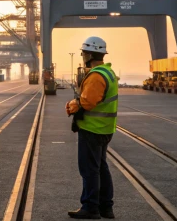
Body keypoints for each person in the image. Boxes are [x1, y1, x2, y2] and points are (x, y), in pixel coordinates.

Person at [65, 36, 118, 219]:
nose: (82, 55)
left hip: (92, 129)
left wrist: (72, 104)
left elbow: (88, 102)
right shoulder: (109, 72)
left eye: (83, 53)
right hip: (105, 128)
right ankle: (106, 207)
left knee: (89, 169)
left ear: (88, 54)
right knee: (101, 167)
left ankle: (90, 207)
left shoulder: (96, 75)